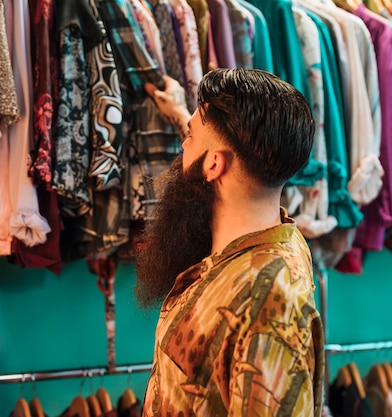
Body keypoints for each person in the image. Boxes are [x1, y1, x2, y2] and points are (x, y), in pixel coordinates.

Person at [135, 68, 325, 417]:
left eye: (189, 137)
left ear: (213, 165)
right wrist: (182, 115)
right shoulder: (279, 234)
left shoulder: (269, 302)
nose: (182, 147)